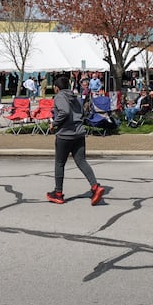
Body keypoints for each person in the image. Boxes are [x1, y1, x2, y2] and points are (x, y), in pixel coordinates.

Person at [45, 74, 106, 206]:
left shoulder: (60, 96)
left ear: (56, 88)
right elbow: (82, 113)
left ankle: (58, 193)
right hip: (79, 134)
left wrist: (54, 124)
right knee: (81, 161)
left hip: (65, 135)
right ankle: (95, 187)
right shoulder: (75, 97)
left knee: (60, 163)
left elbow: (65, 112)